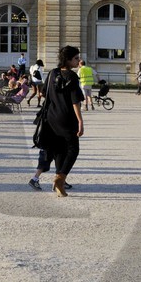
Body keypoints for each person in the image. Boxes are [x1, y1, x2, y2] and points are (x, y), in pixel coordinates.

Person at [29, 44, 85, 195]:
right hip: (67, 118)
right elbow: (75, 102)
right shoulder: (72, 76)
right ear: (68, 60)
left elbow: (43, 94)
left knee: (60, 149)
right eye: (76, 58)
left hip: (51, 118)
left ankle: (59, 184)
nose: (79, 60)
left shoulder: (53, 73)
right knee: (73, 149)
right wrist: (80, 121)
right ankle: (60, 178)